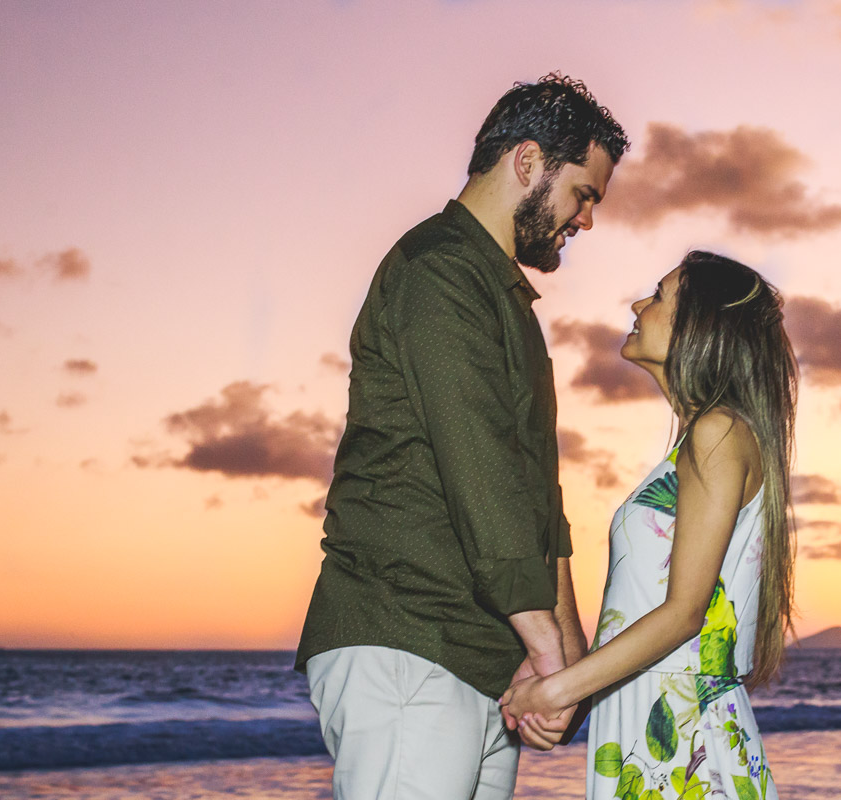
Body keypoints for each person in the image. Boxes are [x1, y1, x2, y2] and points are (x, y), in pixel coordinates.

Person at [295, 74, 629, 800]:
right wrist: (548, 651)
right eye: (585, 194)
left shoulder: (504, 300)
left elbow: (536, 496)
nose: (588, 221)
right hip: (406, 643)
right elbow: (477, 470)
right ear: (530, 162)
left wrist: (561, 652)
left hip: (476, 658)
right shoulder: (439, 270)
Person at [501, 251, 798, 800]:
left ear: (699, 326)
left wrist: (558, 689)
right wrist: (574, 699)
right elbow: (641, 613)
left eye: (659, 296)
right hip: (654, 719)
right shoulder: (704, 440)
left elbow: (685, 614)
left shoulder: (719, 433)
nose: (639, 304)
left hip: (684, 736)